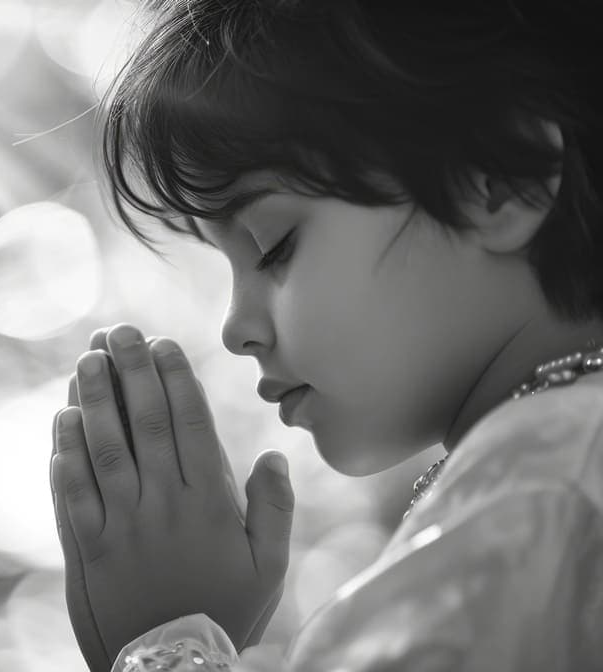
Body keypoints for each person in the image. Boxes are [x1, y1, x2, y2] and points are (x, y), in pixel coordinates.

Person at [49, 1, 603, 670]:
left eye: (274, 246)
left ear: (496, 182)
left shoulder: (536, 494)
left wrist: (168, 642)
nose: (234, 330)